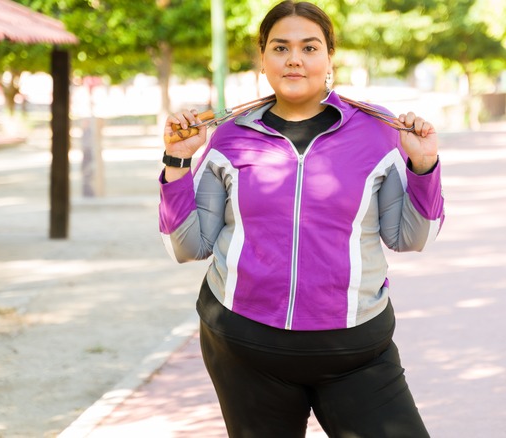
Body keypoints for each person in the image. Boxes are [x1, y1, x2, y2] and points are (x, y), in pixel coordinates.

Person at [158, 1, 444, 436]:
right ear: (263, 58)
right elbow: (189, 246)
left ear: (330, 57)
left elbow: (409, 238)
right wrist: (177, 161)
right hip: (245, 347)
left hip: (356, 350)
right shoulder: (230, 135)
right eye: (281, 47)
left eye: (309, 47)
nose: (294, 58)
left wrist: (423, 167)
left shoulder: (378, 132)